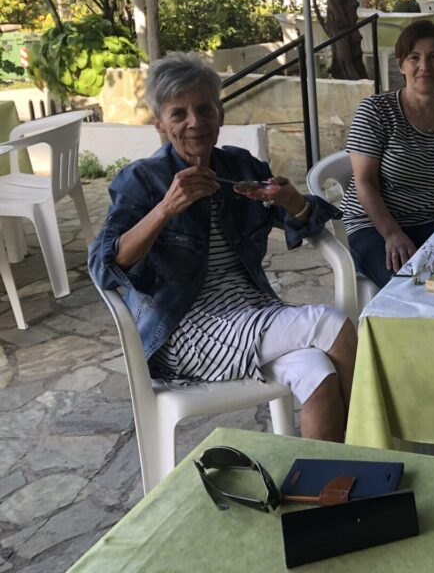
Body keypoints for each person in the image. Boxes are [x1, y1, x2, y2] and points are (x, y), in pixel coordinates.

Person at [89, 53, 355, 442]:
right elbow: (104, 265)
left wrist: (292, 201)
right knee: (331, 324)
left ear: (220, 114)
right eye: (178, 114)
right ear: (159, 125)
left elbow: (308, 221)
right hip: (184, 332)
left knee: (318, 373)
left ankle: (322, 494)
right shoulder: (142, 180)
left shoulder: (240, 167)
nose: (194, 122)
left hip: (249, 312)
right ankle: (367, 455)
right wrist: (166, 208)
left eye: (204, 109)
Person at [342, 20, 434, 288]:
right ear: (401, 64)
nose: (424, 66)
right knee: (414, 287)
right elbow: (364, 183)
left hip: (429, 223)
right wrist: (392, 234)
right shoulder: (376, 111)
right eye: (414, 57)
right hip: (373, 226)